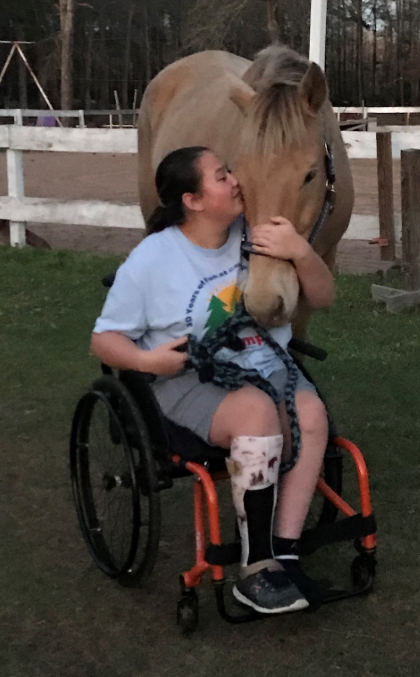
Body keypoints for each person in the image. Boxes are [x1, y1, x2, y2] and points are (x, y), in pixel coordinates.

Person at [91, 146, 335, 614]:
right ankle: (257, 568)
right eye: (222, 175)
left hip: (263, 364)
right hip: (190, 376)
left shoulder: (257, 235)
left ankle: (283, 552)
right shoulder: (152, 259)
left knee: (311, 413)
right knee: (257, 412)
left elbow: (322, 297)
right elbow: (105, 340)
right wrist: (147, 363)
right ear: (193, 200)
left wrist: (300, 252)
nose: (235, 179)